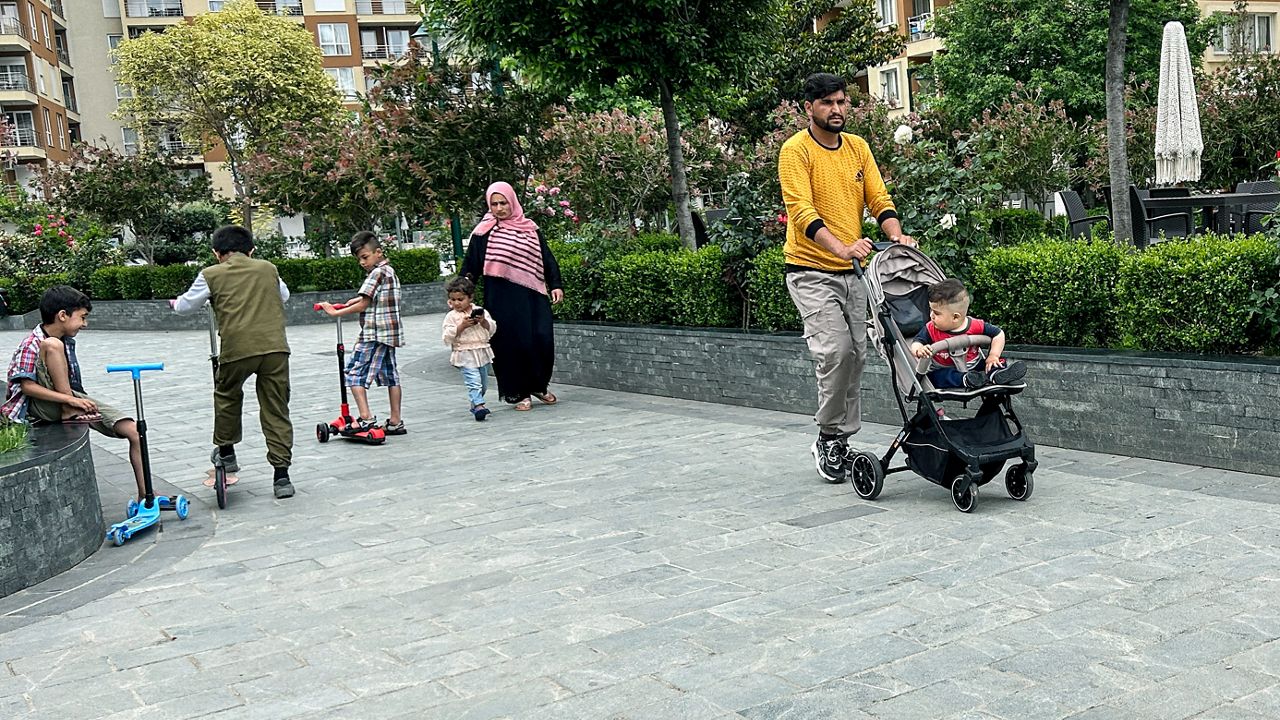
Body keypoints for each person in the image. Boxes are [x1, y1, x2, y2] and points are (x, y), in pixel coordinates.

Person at [778, 72, 918, 484]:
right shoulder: (796, 151)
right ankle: (828, 436)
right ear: (809, 108)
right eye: (828, 103)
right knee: (835, 351)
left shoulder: (857, 147)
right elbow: (801, 212)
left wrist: (896, 234)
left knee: (857, 355)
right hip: (809, 270)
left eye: (842, 102)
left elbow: (879, 199)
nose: (837, 110)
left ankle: (840, 437)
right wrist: (842, 247)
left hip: (855, 273)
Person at [172, 225, 295, 500]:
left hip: (237, 349)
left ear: (217, 253)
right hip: (275, 348)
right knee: (276, 407)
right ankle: (282, 476)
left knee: (227, 395)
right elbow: (284, 296)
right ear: (251, 250)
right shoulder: (268, 268)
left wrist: (174, 303)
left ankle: (226, 452)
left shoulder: (211, 274)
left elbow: (185, 306)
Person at [2, 286, 148, 501]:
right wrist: (70, 400)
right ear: (62, 315)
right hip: (34, 411)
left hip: (66, 399)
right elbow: (26, 387)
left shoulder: (66, 342)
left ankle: (147, 495)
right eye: (82, 317)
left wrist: (75, 399)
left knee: (135, 431)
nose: (85, 324)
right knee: (51, 345)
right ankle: (69, 410)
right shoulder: (33, 343)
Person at [461, 181, 564, 412]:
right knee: (512, 344)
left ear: (513, 202)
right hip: (502, 299)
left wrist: (555, 284)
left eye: (503, 202)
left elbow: (546, 257)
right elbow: (471, 266)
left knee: (542, 339)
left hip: (533, 296)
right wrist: (463, 295)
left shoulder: (530, 228)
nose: (499, 208)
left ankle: (539, 386)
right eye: (494, 204)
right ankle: (520, 392)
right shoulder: (483, 232)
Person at [317, 232, 405, 435]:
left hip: (374, 333)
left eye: (365, 257)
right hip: (389, 334)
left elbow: (365, 303)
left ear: (378, 252)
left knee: (354, 373)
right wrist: (352, 302)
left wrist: (335, 311)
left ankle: (366, 418)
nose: (362, 262)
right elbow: (371, 298)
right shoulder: (389, 272)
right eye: (359, 259)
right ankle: (395, 420)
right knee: (391, 375)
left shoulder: (377, 273)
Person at [910, 279, 1027, 389]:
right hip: (946, 368)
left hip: (974, 366)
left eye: (936, 313)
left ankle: (996, 375)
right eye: (931, 310)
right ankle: (967, 379)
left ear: (955, 317)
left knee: (995, 363)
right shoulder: (931, 328)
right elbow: (917, 341)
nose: (931, 316)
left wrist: (993, 355)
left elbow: (998, 334)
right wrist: (919, 350)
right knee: (937, 377)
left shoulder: (976, 325)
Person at [441, 276, 497, 421]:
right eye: (453, 300)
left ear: (470, 297)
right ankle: (479, 406)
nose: (456, 303)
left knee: (483, 383)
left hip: (481, 351)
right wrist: (461, 327)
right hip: (464, 353)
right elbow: (447, 336)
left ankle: (475, 403)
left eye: (460, 299)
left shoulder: (479, 311)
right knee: (473, 381)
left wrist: (483, 321)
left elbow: (492, 328)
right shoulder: (451, 316)